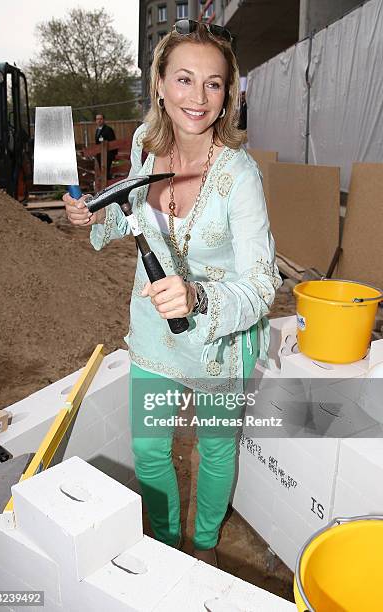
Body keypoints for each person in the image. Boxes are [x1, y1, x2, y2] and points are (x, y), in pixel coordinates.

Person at [64, 19, 281, 567]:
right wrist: (94, 213)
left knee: (214, 448)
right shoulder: (145, 143)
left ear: (228, 95)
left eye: (213, 83)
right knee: (149, 449)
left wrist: (200, 298)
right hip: (154, 330)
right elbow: (134, 216)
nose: (198, 97)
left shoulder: (240, 177)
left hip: (217, 342)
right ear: (159, 82)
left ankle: (203, 546)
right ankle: (165, 542)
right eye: (184, 79)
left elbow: (262, 286)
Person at [94, 113, 117, 179]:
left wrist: (112, 154)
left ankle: (108, 186)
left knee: (106, 172)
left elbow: (113, 142)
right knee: (102, 172)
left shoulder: (108, 129)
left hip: (107, 155)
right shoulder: (97, 130)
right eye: (97, 119)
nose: (99, 121)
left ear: (103, 120)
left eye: (100, 119)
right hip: (99, 154)